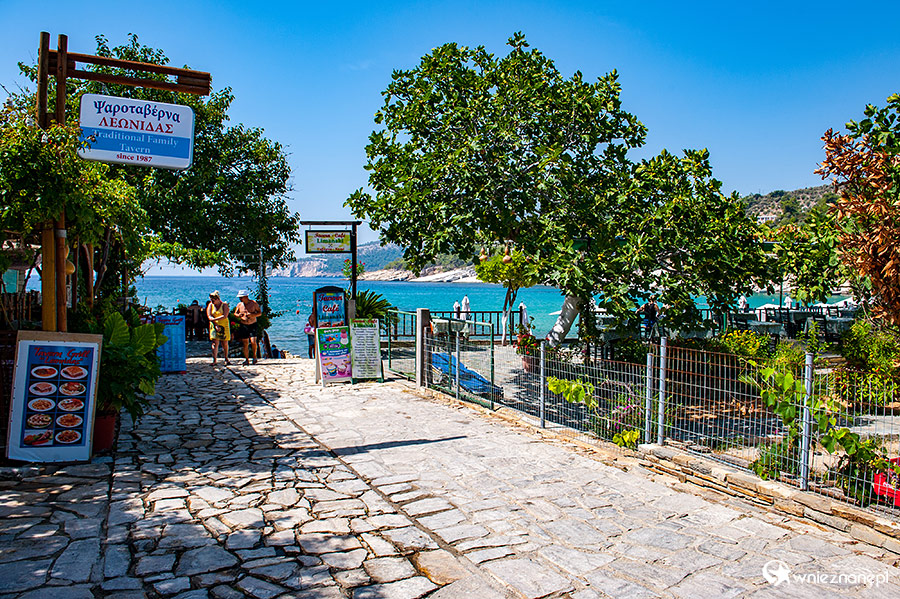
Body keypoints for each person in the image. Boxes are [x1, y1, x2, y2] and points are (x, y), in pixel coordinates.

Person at [235, 290, 262, 365]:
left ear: (246, 297)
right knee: (245, 343)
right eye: (240, 298)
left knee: (253, 341)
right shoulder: (240, 305)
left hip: (252, 324)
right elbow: (235, 313)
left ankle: (254, 356)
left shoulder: (253, 303)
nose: (240, 299)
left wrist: (252, 315)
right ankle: (246, 359)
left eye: (241, 297)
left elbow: (259, 313)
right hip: (243, 325)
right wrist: (239, 315)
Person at [207, 290, 231, 365]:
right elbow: (209, 315)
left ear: (217, 299)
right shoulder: (210, 305)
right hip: (214, 324)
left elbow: (225, 315)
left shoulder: (224, 305)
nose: (212, 301)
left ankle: (226, 358)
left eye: (213, 300)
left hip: (223, 324)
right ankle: (214, 360)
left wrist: (214, 319)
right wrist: (215, 323)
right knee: (215, 342)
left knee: (224, 342)